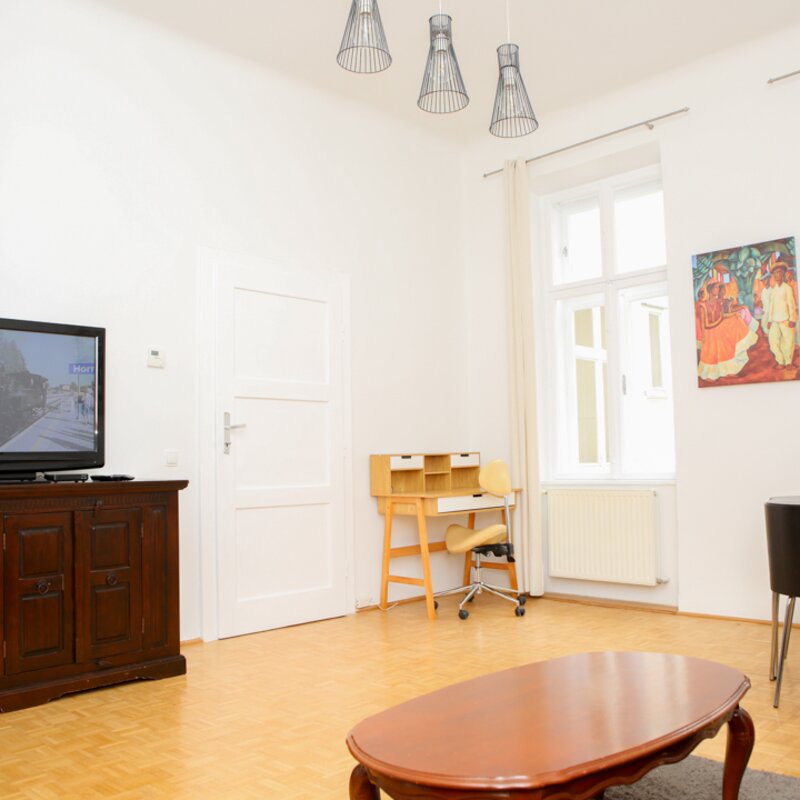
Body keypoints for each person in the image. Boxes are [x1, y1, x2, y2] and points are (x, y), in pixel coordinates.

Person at [696, 282, 758, 381]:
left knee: (736, 320)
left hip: (717, 328)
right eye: (716, 288)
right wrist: (718, 322)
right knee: (721, 338)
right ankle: (710, 374)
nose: (718, 290)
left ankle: (729, 369)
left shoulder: (719, 303)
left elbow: (723, 315)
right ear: (710, 290)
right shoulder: (703, 305)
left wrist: (734, 314)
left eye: (718, 288)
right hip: (709, 331)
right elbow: (706, 325)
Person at [766, 263, 797, 368]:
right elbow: (771, 306)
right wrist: (769, 320)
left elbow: (791, 305)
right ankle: (780, 361)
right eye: (774, 273)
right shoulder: (773, 290)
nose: (776, 275)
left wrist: (792, 319)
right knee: (773, 342)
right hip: (775, 320)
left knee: (788, 342)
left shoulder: (787, 288)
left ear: (783, 274)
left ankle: (788, 362)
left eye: (778, 272)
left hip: (786, 319)